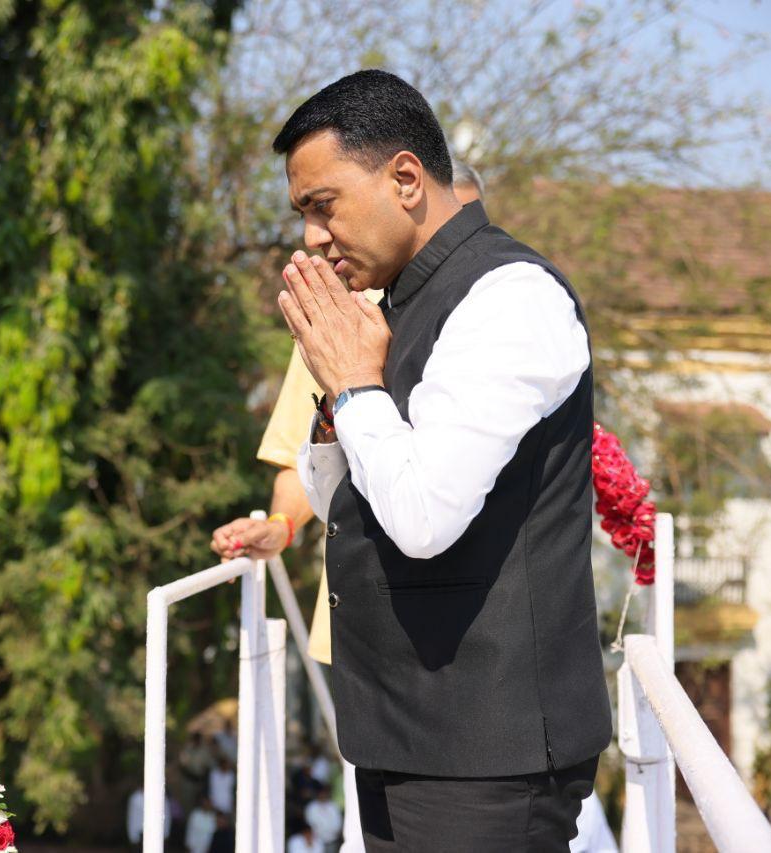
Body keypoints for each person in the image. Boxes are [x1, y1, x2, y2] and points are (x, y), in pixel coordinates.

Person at [274, 70, 609, 850]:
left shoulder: (510, 296)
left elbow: (423, 517)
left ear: (404, 179)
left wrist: (357, 384)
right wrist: (337, 403)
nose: (311, 239)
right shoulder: (393, 306)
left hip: (490, 755)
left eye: (322, 207)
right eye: (302, 215)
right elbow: (344, 507)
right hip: (404, 736)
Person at [209, 158, 485, 853]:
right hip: (369, 628)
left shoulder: (496, 314)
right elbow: (307, 464)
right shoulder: (337, 321)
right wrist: (277, 527)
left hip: (481, 633)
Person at [304, 784, 344, 851]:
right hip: (317, 841)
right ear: (317, 794)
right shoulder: (311, 807)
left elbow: (338, 822)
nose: (323, 795)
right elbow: (309, 824)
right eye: (321, 793)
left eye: (324, 793)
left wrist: (333, 832)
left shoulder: (333, 806)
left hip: (332, 839)